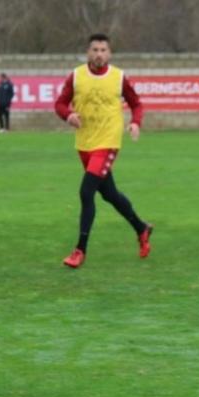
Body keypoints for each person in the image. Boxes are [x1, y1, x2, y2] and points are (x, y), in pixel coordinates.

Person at [53, 33, 153, 269]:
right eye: (95, 50)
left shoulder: (118, 77)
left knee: (86, 192)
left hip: (108, 142)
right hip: (85, 143)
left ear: (109, 53)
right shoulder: (76, 76)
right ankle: (142, 228)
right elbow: (59, 103)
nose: (99, 54)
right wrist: (69, 116)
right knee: (109, 194)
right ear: (88, 52)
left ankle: (79, 251)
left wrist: (136, 122)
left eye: (103, 50)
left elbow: (136, 103)